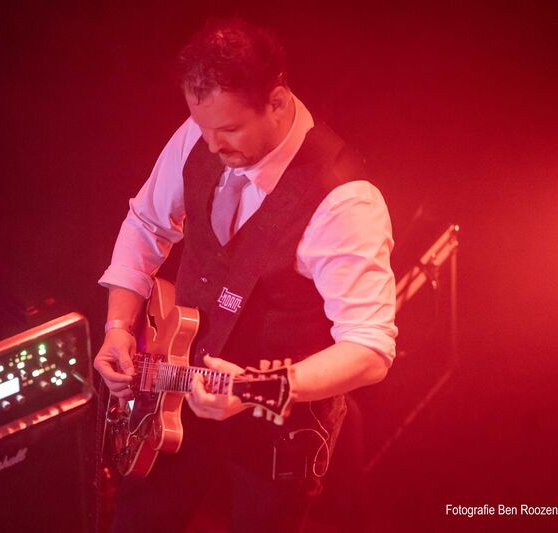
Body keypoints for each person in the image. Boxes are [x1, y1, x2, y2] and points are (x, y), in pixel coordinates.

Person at [94, 18, 397, 533]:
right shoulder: (203, 132)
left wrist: (261, 387)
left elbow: (370, 349)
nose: (211, 145)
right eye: (203, 128)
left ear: (276, 102)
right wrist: (118, 327)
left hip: (279, 426)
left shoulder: (345, 200)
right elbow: (146, 223)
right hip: (171, 396)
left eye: (229, 130)